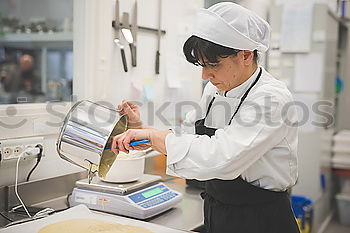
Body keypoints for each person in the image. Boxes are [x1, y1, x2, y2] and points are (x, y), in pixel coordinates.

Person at [112, 2, 299, 233]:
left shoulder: (271, 99)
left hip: (260, 218)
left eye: (213, 65)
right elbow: (188, 136)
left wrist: (154, 138)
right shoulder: (215, 89)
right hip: (218, 211)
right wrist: (141, 128)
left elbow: (222, 158)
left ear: (246, 55)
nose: (204, 75)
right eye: (202, 65)